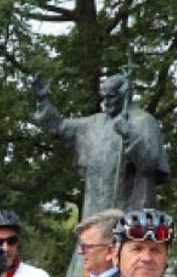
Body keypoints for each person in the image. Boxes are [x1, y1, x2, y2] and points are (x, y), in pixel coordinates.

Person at [34, 74, 169, 219]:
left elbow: (149, 163)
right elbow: (59, 127)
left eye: (111, 97)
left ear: (125, 95)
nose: (105, 102)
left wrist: (129, 135)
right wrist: (43, 101)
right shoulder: (93, 123)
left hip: (128, 215)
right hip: (94, 213)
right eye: (103, 97)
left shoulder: (143, 121)